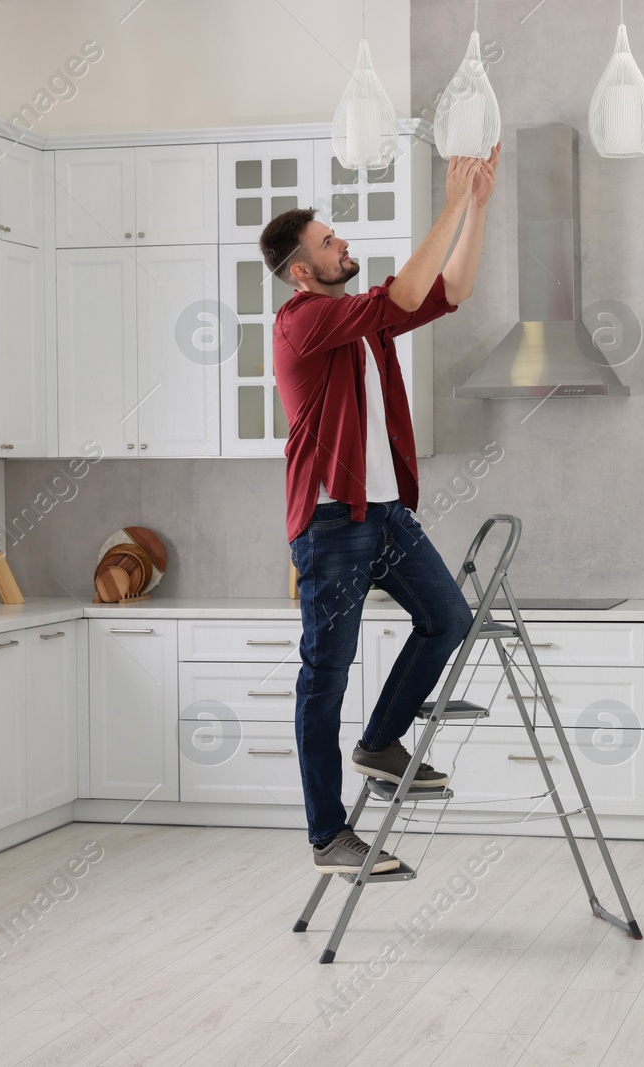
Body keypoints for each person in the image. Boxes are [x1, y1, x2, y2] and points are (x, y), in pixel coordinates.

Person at [260, 143, 500, 876]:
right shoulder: (301, 321)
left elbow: (447, 291)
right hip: (333, 522)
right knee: (323, 678)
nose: (344, 245)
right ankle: (328, 836)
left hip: (385, 512)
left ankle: (380, 742)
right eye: (330, 242)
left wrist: (478, 208)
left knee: (450, 617)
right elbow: (400, 295)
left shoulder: (360, 320)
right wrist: (450, 203)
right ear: (303, 271)